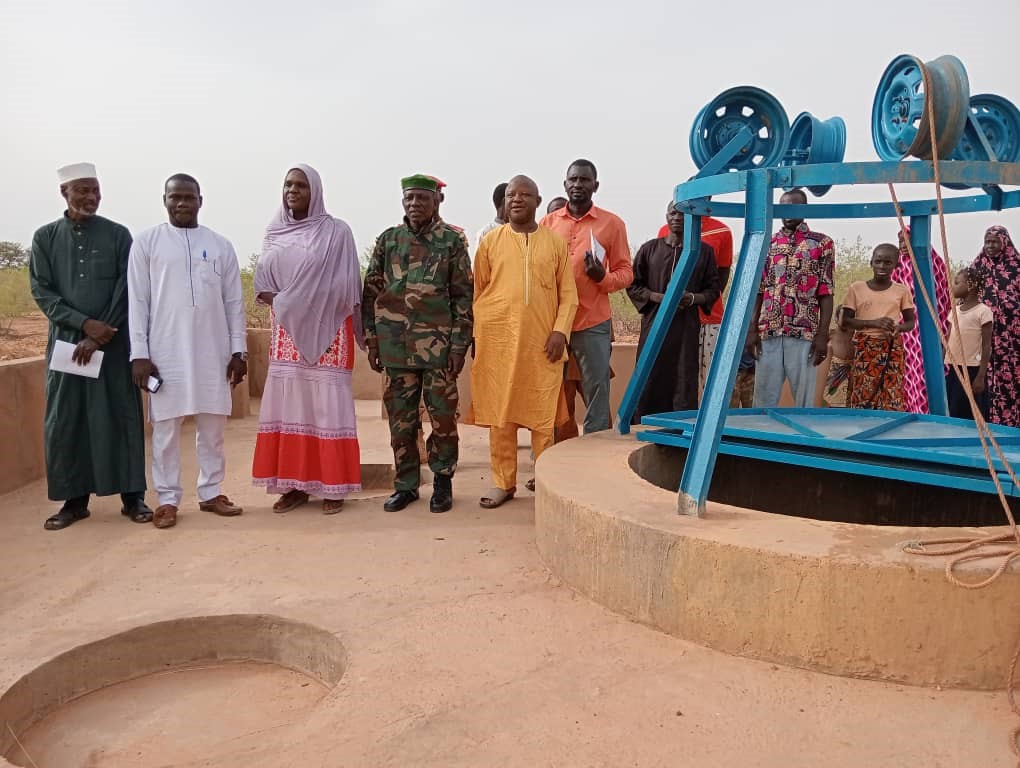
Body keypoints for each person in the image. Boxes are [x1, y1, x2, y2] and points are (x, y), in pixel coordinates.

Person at [30, 163, 150, 531]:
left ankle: (133, 498)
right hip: (68, 347)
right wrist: (82, 325)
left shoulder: (118, 235)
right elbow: (42, 290)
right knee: (69, 421)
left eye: (96, 190)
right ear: (64, 193)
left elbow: (127, 287)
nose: (91, 197)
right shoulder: (45, 238)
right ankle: (73, 501)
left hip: (112, 346)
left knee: (121, 417)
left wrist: (99, 332)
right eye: (82, 190)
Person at [128, 174, 247, 529]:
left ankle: (211, 493)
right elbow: (137, 301)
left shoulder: (220, 245)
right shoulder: (147, 243)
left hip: (214, 351)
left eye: (188, 197)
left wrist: (239, 351)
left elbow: (234, 303)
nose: (181, 203)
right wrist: (139, 353)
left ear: (200, 200)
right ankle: (167, 500)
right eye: (174, 197)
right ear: (164, 200)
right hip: (165, 352)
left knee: (212, 428)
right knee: (165, 430)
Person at [252, 165, 363, 514]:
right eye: (287, 184)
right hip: (286, 331)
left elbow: (347, 284)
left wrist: (307, 301)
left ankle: (333, 486)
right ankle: (293, 485)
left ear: (315, 190)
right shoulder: (274, 231)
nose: (292, 190)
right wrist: (286, 302)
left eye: (300, 185)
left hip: (329, 330)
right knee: (291, 406)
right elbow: (263, 282)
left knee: (326, 407)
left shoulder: (337, 232)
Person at [363, 174, 473, 513]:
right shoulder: (388, 241)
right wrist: (372, 340)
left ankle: (442, 482)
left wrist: (458, 347)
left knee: (442, 420)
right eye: (409, 198)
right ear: (402, 202)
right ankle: (406, 485)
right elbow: (370, 293)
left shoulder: (451, 242)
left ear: (437, 201)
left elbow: (463, 298)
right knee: (402, 421)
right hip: (395, 348)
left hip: (439, 349)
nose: (415, 205)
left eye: (422, 199)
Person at [470, 175, 578, 508]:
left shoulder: (555, 243)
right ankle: (504, 482)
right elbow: (480, 293)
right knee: (501, 416)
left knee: (543, 418)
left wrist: (560, 331)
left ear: (537, 200)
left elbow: (568, 295)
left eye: (525, 194)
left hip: (542, 346)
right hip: (500, 345)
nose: (516, 199)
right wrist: (482, 337)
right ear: (504, 202)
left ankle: (545, 482)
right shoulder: (490, 242)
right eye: (511, 195)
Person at [541, 159, 632, 433]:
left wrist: (601, 278)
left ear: (596, 186)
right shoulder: (547, 222)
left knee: (596, 390)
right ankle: (548, 458)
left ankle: (595, 455)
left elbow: (626, 273)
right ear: (565, 184)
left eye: (584, 180)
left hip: (591, 321)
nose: (578, 185)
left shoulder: (611, 224)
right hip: (553, 323)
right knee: (549, 392)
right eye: (573, 180)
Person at [628, 202, 720, 420]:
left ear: (691, 219)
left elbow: (713, 290)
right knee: (648, 375)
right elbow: (633, 285)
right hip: (654, 325)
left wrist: (692, 298)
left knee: (683, 377)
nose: (677, 217)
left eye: (682, 213)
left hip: (686, 328)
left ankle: (679, 428)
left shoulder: (704, 252)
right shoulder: (649, 249)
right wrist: (657, 297)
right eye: (673, 212)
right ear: (666, 215)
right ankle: (643, 425)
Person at [746, 188, 834, 408]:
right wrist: (752, 329)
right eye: (783, 207)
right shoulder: (768, 242)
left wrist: (822, 335)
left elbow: (826, 291)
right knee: (763, 399)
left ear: (803, 209)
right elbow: (759, 289)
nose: (787, 212)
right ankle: (763, 441)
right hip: (769, 329)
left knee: (804, 399)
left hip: (804, 332)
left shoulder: (822, 244)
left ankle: (803, 442)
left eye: (793, 206)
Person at [657, 214, 733, 394]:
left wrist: (702, 299)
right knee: (679, 378)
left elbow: (722, 275)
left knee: (711, 380)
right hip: (676, 318)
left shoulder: (722, 231)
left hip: (709, 318)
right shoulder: (666, 230)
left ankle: (709, 422)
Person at [842, 244, 917, 411]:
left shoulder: (901, 291)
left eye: (888, 263)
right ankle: (861, 431)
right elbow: (846, 320)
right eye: (878, 261)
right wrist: (873, 323)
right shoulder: (857, 288)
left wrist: (899, 328)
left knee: (891, 391)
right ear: (871, 263)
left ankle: (889, 432)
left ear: (896, 265)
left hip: (891, 346)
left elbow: (910, 322)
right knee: (864, 391)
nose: (882, 266)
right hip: (865, 346)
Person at [892, 227, 951, 414]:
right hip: (906, 333)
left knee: (927, 375)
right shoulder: (899, 265)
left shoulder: (934, 263)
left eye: (906, 241)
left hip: (927, 330)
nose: (902, 246)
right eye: (899, 241)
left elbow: (942, 300)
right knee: (907, 377)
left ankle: (929, 417)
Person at [971, 225, 1020, 427]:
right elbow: (966, 295)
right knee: (983, 376)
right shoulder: (978, 267)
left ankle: (1011, 422)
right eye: (987, 241)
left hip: (1012, 336)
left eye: (994, 241)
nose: (990, 245)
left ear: (1004, 243)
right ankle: (985, 423)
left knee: (1011, 377)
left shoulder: (1017, 267)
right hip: (984, 333)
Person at [944, 266, 992, 420]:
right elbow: (948, 337)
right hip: (953, 368)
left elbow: (986, 345)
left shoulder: (983, 311)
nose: (953, 286)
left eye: (957, 283)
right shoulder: (955, 310)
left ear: (970, 286)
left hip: (972, 370)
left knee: (968, 411)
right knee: (953, 408)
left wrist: (980, 376)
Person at [823, 306, 851, 408]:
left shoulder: (856, 338)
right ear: (836, 318)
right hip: (832, 383)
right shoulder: (829, 336)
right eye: (843, 316)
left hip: (851, 385)